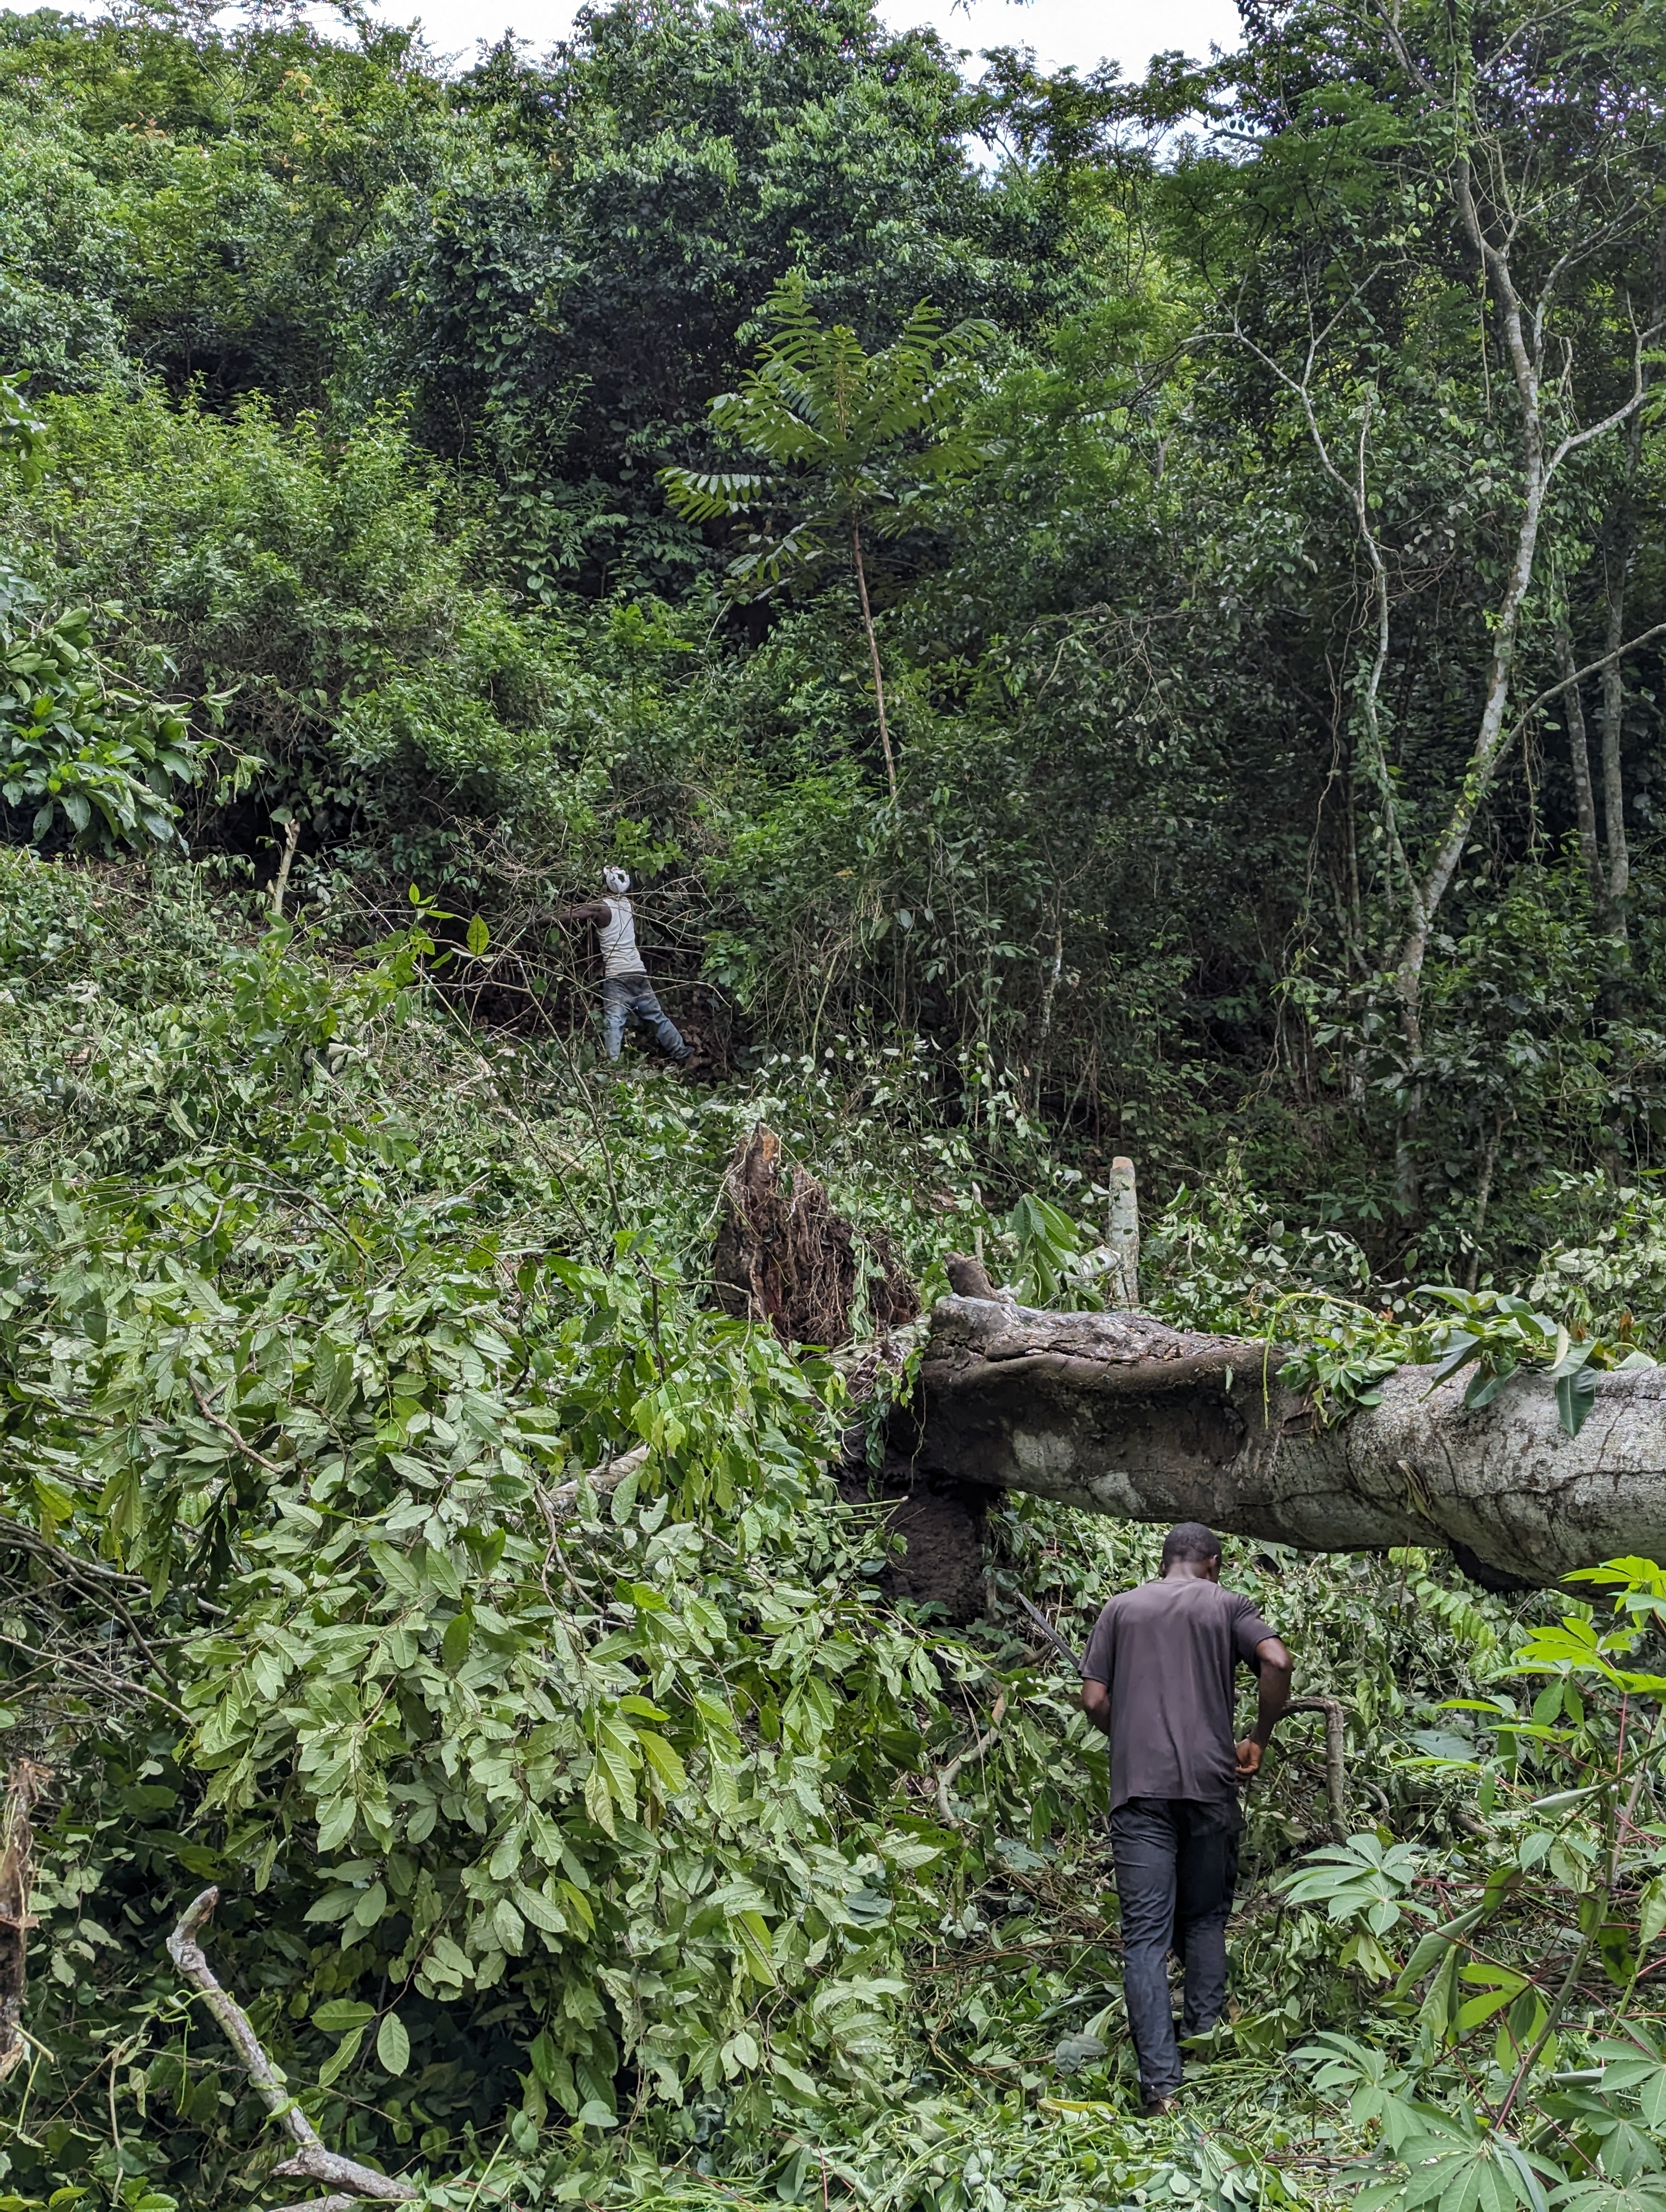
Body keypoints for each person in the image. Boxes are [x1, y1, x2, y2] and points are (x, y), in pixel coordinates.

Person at [1080, 1522, 1292, 2117]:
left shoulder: (1120, 1609)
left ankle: (1163, 2090)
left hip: (1140, 1794)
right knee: (1203, 1921)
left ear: (1165, 1560)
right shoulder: (1228, 1606)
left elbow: (1095, 1699)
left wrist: (1126, 1736)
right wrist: (1258, 1736)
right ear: (1214, 1564)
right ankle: (1206, 2052)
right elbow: (1275, 1660)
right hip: (1209, 1787)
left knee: (1145, 1940)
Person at [560, 867, 690, 1068]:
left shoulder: (601, 907)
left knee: (614, 1021)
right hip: (638, 972)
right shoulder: (630, 905)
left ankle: (612, 1068)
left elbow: (574, 914)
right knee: (656, 1016)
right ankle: (683, 1055)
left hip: (618, 977)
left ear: (605, 885)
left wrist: (542, 918)